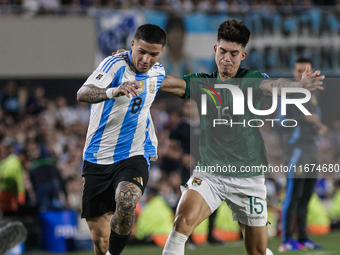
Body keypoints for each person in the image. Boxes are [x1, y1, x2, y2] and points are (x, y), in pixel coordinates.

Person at [157, 19, 324, 255]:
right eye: (223, 51)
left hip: (248, 177)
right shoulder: (202, 82)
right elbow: (169, 83)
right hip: (210, 173)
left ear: (243, 55)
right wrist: (136, 68)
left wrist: (298, 85)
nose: (227, 58)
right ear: (215, 50)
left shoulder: (251, 79)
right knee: (181, 223)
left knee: (256, 251)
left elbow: (273, 85)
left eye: (234, 53)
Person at [76, 24, 167, 255]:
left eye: (154, 54)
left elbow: (173, 87)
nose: (147, 59)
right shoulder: (113, 64)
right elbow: (83, 93)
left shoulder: (158, 72)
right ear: (132, 45)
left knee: (126, 203)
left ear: (161, 52)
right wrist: (114, 90)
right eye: (142, 52)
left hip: (134, 154)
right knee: (100, 239)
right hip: (97, 157)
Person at [279, 57, 326, 251]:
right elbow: (280, 120)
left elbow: (317, 118)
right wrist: (304, 118)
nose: (301, 75)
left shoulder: (313, 95)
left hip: (311, 148)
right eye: (298, 71)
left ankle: (303, 238)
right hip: (297, 149)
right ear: (293, 72)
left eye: (305, 71)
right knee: (293, 195)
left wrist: (319, 127)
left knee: (306, 196)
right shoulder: (288, 94)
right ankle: (287, 240)